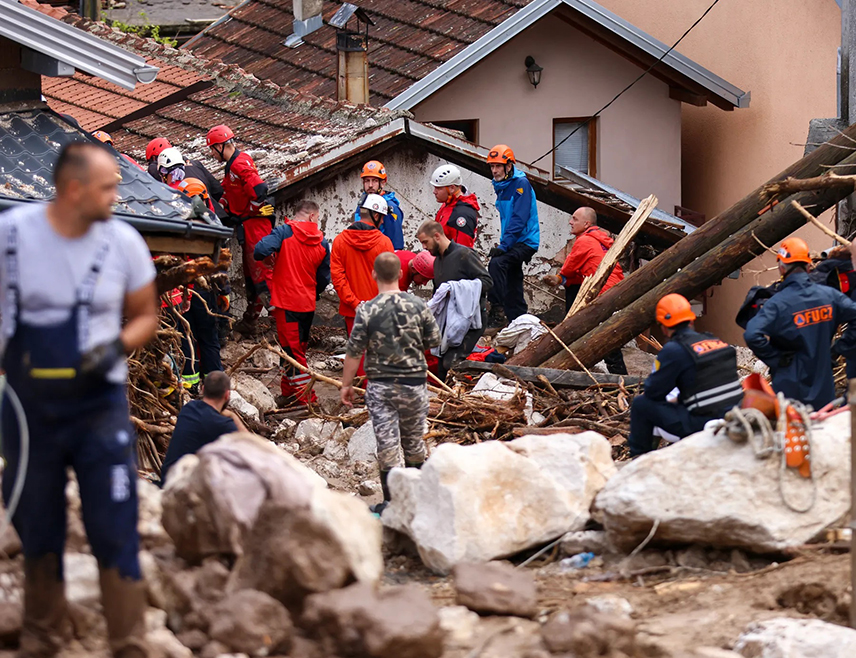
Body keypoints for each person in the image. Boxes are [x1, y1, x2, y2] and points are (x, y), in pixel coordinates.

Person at [0, 141, 159, 656]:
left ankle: (129, 642)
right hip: (28, 409)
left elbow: (145, 315)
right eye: (108, 187)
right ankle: (41, 639)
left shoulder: (124, 243)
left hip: (99, 407)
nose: (117, 196)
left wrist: (112, 347)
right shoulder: (13, 237)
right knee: (37, 524)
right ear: (74, 190)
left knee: (114, 523)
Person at [340, 253, 441, 515]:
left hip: (381, 387)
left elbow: (354, 351)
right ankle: (418, 503)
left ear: (374, 275)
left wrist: (346, 384)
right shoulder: (419, 305)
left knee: (387, 446)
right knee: (414, 443)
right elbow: (434, 340)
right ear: (400, 275)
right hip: (415, 385)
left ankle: (391, 505)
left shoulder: (367, 309)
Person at [745, 237, 856, 410]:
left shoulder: (776, 303)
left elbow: (752, 334)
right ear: (809, 265)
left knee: (792, 433)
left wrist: (777, 359)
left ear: (781, 268)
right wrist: (839, 348)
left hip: (788, 391)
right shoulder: (829, 296)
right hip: (823, 390)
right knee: (822, 433)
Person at [628, 294, 743, 457]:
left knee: (641, 404)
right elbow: (704, 385)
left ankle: (637, 460)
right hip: (736, 416)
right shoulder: (717, 342)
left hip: (703, 423)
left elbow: (653, 393)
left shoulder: (674, 350)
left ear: (663, 327)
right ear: (691, 320)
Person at [254, 200, 331, 406]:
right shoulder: (322, 242)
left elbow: (260, 249)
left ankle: (307, 400)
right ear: (313, 216)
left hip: (286, 303)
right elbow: (324, 278)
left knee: (293, 353)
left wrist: (271, 258)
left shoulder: (284, 232)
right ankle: (289, 392)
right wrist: (312, 291)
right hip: (307, 303)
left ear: (298, 214)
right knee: (293, 350)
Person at [206, 124, 275, 335]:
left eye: (211, 148)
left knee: (262, 276)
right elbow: (232, 192)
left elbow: (259, 190)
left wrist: (249, 211)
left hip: (255, 227)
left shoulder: (238, 164)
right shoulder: (233, 165)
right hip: (249, 226)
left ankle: (279, 324)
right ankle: (250, 322)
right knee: (252, 278)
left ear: (219, 146)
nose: (211, 153)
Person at [542, 206, 627, 374]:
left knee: (603, 337)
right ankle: (618, 373)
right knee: (606, 334)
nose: (570, 222)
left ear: (586, 223)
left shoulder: (584, 241)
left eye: (574, 219)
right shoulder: (600, 240)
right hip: (615, 290)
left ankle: (618, 375)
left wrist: (559, 278)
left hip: (603, 293)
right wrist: (564, 280)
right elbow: (582, 274)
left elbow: (569, 268)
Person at [416, 220, 492, 380]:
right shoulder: (437, 262)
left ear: (437, 236)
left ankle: (465, 394)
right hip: (448, 320)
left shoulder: (465, 255)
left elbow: (487, 282)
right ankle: (449, 400)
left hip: (470, 319)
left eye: (425, 242)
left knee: (451, 362)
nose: (424, 247)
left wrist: (457, 289)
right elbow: (438, 294)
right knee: (441, 363)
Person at [160, 371, 247, 485]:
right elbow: (251, 447)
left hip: (167, 481)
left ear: (202, 389)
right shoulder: (223, 425)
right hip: (185, 493)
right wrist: (233, 416)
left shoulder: (188, 409)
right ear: (227, 395)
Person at [486, 144, 539, 325]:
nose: (494, 170)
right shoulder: (502, 186)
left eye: (498, 166)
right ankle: (517, 318)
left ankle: (497, 310)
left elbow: (519, 218)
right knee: (512, 277)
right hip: (514, 241)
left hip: (525, 241)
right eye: (492, 166)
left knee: (497, 263)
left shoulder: (520, 184)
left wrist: (503, 246)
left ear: (509, 166)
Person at [331, 194, 395, 340]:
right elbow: (390, 280)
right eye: (383, 217)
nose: (383, 220)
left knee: (356, 356)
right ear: (376, 215)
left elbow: (338, 279)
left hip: (352, 312)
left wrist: (355, 303)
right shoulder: (385, 243)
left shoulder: (339, 241)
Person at [353, 161, 404, 250]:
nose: (370, 185)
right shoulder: (362, 204)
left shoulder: (390, 208)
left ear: (383, 183)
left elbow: (396, 243)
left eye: (375, 181)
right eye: (367, 181)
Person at [430, 164, 480, 248]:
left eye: (438, 188)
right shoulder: (448, 204)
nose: (434, 192)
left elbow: (461, 252)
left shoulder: (462, 215)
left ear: (452, 188)